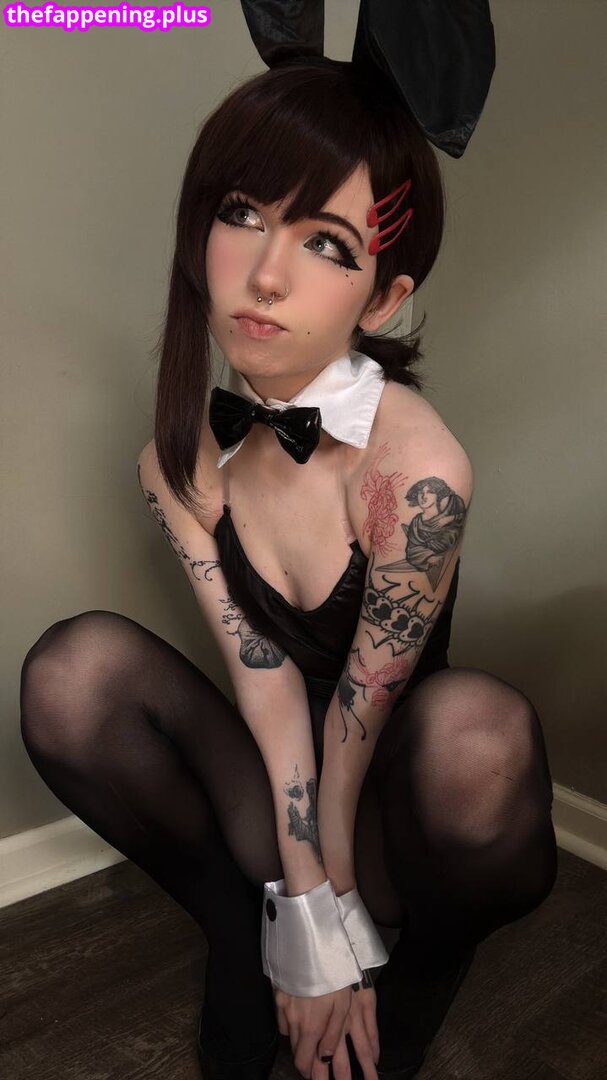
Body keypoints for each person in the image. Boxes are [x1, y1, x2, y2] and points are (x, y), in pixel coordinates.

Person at [19, 5, 558, 1080]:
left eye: (325, 242)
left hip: (394, 782)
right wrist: (299, 919)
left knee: (476, 735)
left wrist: (341, 926)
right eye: (241, 213)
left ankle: (421, 963)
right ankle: (239, 926)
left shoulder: (418, 469)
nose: (266, 274)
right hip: (273, 780)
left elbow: (356, 726)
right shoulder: (176, 461)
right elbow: (261, 678)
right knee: (71, 674)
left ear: (384, 295)